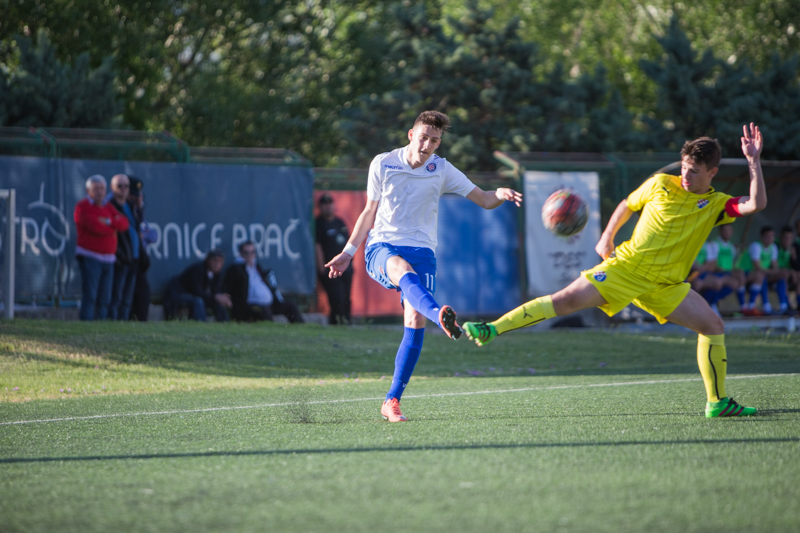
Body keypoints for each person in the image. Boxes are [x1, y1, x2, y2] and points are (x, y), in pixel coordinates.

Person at [464, 124, 766, 419]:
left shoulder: (716, 204)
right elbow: (627, 204)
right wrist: (607, 236)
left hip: (667, 286)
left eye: (695, 170)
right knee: (565, 300)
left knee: (713, 325)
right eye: (685, 167)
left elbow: (755, 203)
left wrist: (753, 162)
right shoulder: (660, 183)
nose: (686, 175)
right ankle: (491, 329)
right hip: (625, 270)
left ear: (712, 173)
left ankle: (717, 402)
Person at [325, 110, 523, 422]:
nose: (428, 144)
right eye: (424, 137)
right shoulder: (383, 163)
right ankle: (440, 317)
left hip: (423, 251)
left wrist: (499, 192)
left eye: (435, 140)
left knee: (414, 316)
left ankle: (392, 400)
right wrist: (349, 251)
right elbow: (368, 212)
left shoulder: (441, 169)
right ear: (410, 134)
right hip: (383, 245)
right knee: (402, 269)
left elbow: (484, 199)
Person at [73, 174, 130, 320]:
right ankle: (86, 325)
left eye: (102, 188)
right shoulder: (82, 207)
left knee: (105, 298)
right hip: (90, 257)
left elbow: (124, 224)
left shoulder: (108, 206)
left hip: (109, 259)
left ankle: (101, 327)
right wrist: (112, 224)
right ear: (88, 190)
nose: (99, 191)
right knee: (90, 296)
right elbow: (95, 227)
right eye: (95, 188)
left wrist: (108, 221)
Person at [222, 240, 305, 323]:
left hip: (270, 303)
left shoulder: (256, 266)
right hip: (251, 306)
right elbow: (229, 289)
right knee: (263, 310)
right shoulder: (236, 269)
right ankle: (271, 332)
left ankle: (302, 328)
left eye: (252, 252)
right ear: (241, 253)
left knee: (290, 306)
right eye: (246, 252)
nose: (249, 255)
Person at [163, 250, 231, 322]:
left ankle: (227, 324)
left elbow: (216, 292)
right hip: (177, 294)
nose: (217, 264)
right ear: (208, 260)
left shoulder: (217, 274)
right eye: (215, 260)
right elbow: (197, 292)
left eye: (220, 261)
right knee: (198, 301)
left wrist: (221, 298)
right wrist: (215, 297)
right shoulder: (199, 269)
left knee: (217, 302)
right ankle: (201, 325)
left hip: (193, 295)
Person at [315, 193, 353, 325]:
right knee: (337, 297)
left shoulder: (340, 222)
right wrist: (322, 269)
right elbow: (317, 246)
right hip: (331, 269)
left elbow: (349, 244)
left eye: (330, 204)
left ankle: (346, 322)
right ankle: (336, 322)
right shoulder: (318, 224)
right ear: (320, 207)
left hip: (346, 268)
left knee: (346, 297)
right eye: (324, 205)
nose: (328, 207)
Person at [107, 174, 140, 320]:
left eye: (126, 186)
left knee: (127, 298)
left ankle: (123, 325)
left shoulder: (130, 205)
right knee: (116, 295)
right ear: (112, 188)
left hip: (133, 257)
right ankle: (113, 324)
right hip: (120, 258)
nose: (124, 189)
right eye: (120, 186)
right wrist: (119, 253)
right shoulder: (108, 205)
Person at [738, 225, 790, 315]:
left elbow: (774, 266)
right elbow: (757, 267)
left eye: (772, 236)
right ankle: (763, 306)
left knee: (780, 276)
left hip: (761, 274)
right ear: (762, 237)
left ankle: (784, 306)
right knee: (761, 275)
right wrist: (774, 271)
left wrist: (780, 272)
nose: (770, 238)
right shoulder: (756, 246)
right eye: (767, 236)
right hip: (745, 273)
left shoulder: (773, 247)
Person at [694, 224, 745, 315]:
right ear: (720, 231)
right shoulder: (714, 244)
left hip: (715, 273)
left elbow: (711, 263)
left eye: (729, 230)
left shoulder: (731, 246)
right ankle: (699, 309)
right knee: (716, 282)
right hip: (711, 273)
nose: (727, 232)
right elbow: (713, 266)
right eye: (724, 230)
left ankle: (744, 306)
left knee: (737, 280)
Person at [128, 176, 155, 321]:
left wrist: (139, 207)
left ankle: (140, 321)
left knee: (143, 292)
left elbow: (152, 234)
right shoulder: (122, 206)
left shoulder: (137, 209)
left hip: (138, 258)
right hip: (125, 257)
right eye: (134, 194)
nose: (137, 198)